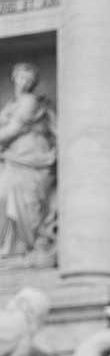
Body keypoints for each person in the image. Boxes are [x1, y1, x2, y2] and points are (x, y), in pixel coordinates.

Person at [0, 62, 56, 256]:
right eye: (22, 77)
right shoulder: (11, 104)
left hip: (31, 154)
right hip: (13, 157)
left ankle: (24, 244)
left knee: (24, 197)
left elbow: (15, 129)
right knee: (4, 195)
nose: (24, 83)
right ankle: (10, 246)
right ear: (14, 78)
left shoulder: (29, 102)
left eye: (29, 80)